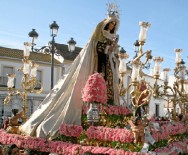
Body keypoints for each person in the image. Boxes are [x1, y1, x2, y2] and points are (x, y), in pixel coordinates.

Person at [20, 4, 120, 139]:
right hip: (98, 63)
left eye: (114, 25)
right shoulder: (99, 36)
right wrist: (107, 47)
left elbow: (111, 54)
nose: (112, 26)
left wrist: (113, 50)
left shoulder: (112, 37)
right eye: (111, 24)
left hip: (108, 65)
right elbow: (97, 48)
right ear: (106, 25)